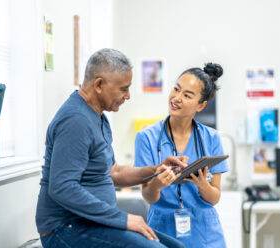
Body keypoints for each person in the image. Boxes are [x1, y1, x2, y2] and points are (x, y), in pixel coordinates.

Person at [35, 48, 187, 248]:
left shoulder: (98, 117)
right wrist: (123, 219)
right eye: (123, 88)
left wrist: (156, 170)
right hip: (65, 228)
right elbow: (62, 187)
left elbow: (114, 172)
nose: (128, 95)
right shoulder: (76, 121)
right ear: (99, 84)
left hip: (91, 224)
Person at [134, 63, 229, 247]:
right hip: (163, 230)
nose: (176, 98)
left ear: (201, 105)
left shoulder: (211, 138)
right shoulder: (146, 138)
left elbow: (214, 197)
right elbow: (148, 196)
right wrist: (157, 184)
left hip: (205, 234)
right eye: (176, 89)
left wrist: (202, 185)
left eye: (187, 95)